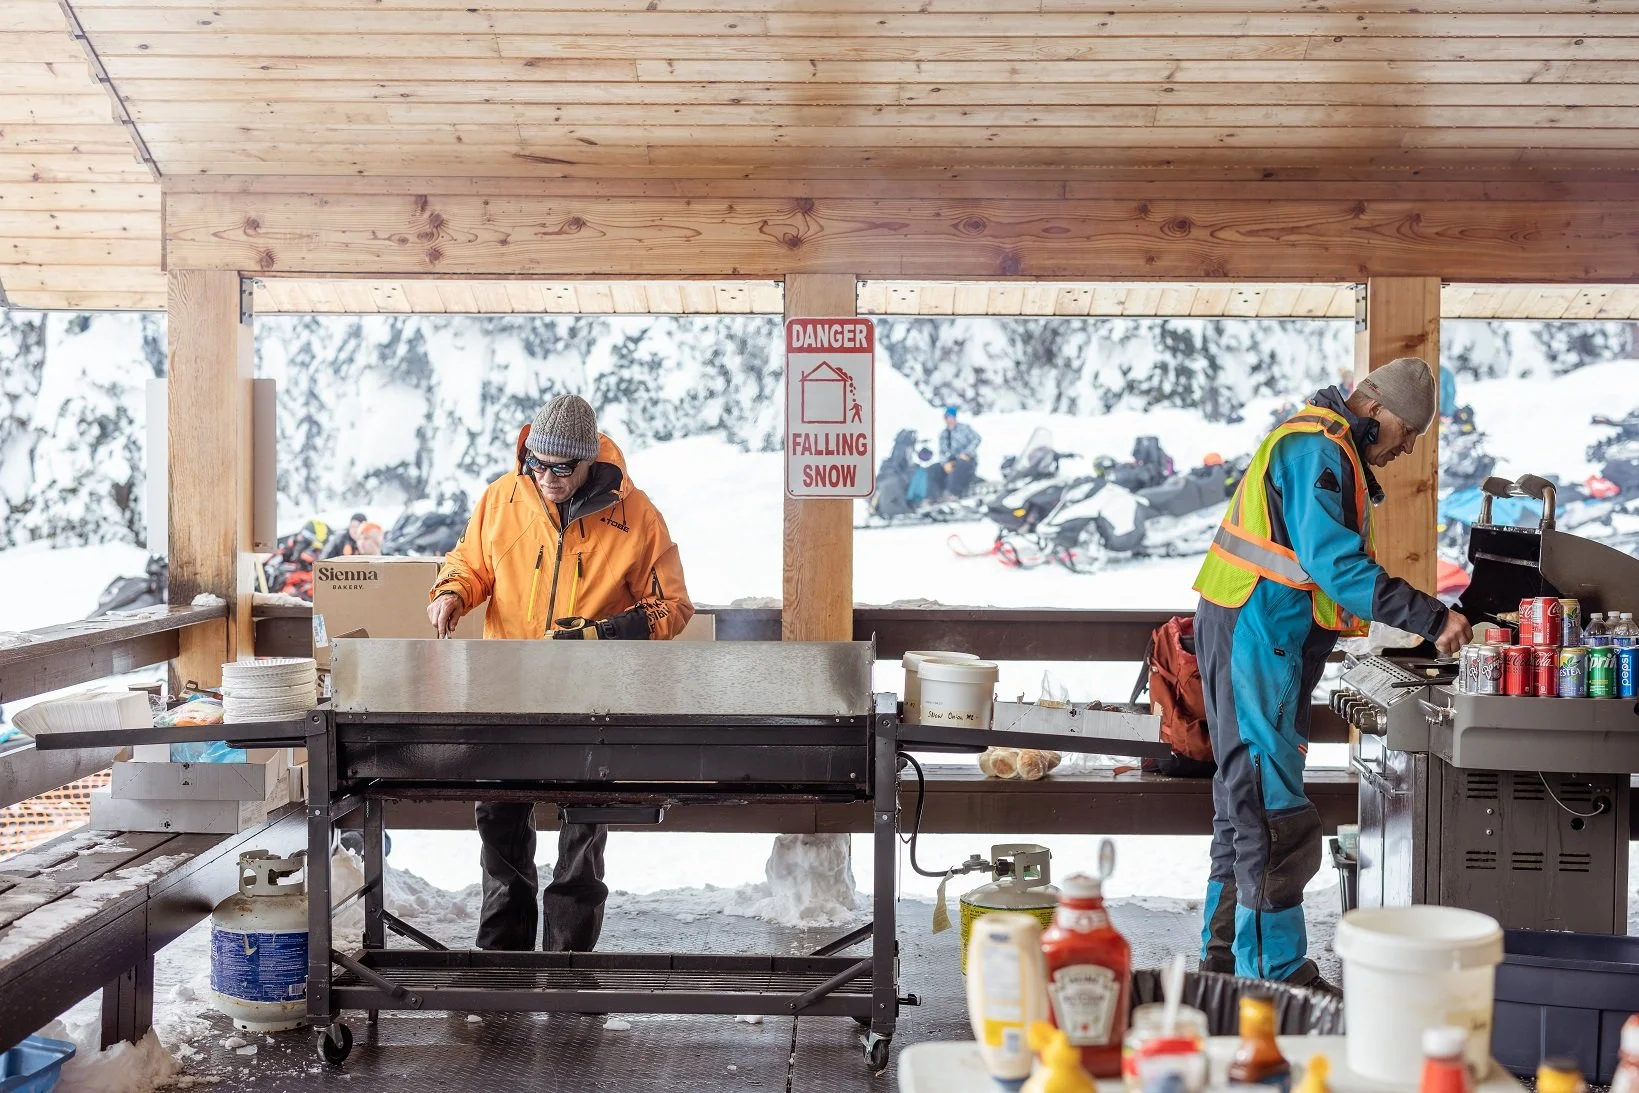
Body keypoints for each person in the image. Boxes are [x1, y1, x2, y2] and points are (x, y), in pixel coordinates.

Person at [1192, 357, 1472, 990]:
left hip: (1255, 630)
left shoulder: (1320, 443)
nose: (1406, 451)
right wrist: (1431, 617)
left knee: (1245, 800)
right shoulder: (1318, 448)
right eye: (1407, 434)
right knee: (1270, 808)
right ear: (1375, 411)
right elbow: (1334, 565)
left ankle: (1225, 961)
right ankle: (1274, 974)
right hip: (1258, 634)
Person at [426, 394, 694, 953]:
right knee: (499, 826)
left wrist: (603, 634)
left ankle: (568, 964)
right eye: (537, 464)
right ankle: (502, 957)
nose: (545, 477)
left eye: (561, 468)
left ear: (588, 462)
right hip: (505, 692)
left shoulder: (636, 515)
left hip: (591, 700)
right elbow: (469, 563)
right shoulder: (502, 497)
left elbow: (672, 605)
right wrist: (452, 592)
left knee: (581, 835)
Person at [926, 406, 981, 501]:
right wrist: (945, 464)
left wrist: (967, 453)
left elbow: (977, 439)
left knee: (959, 466)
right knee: (933, 469)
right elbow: (942, 452)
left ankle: (953, 494)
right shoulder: (943, 434)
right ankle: (934, 497)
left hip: (966, 461)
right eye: (947, 417)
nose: (949, 420)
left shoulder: (964, 428)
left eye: (951, 417)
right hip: (951, 461)